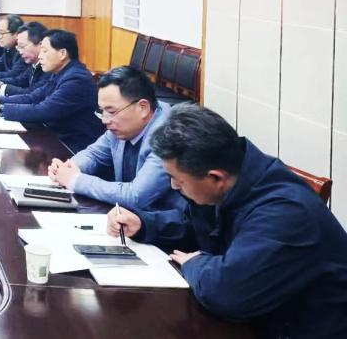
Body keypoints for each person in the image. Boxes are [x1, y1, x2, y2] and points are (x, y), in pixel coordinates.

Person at [107, 104, 347, 338]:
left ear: (215, 178)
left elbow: (228, 293)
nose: (174, 186)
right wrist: (144, 223)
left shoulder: (283, 212)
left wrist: (196, 263)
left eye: (178, 180)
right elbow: (196, 225)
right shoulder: (234, 176)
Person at [47, 66, 181, 210]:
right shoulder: (122, 127)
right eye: (102, 111)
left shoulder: (168, 136)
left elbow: (136, 196)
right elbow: (94, 154)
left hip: (163, 220)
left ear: (143, 108)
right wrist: (69, 167)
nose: (104, 120)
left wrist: (75, 180)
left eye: (111, 112)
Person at [0, 29, 103, 152]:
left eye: (44, 51)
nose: (40, 56)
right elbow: (33, 97)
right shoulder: (60, 72)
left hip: (71, 148)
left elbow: (44, 110)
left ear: (62, 53)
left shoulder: (77, 79)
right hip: (53, 138)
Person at [0, 22, 49, 95]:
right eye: (18, 47)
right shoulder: (33, 63)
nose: (20, 51)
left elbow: (32, 94)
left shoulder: (48, 68)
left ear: (40, 45)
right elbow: (19, 80)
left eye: (22, 46)